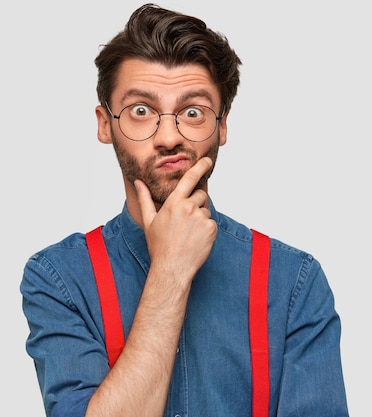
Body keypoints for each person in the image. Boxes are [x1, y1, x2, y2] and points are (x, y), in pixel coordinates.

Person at [20, 4, 349, 417]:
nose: (170, 136)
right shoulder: (57, 278)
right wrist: (170, 271)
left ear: (222, 126)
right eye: (142, 111)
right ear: (105, 124)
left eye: (192, 111)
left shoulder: (293, 283)